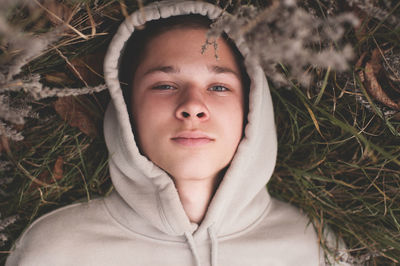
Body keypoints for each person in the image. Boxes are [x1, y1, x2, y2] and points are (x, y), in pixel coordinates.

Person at [6, 1, 344, 265]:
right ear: (127, 107)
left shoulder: (313, 248)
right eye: (165, 85)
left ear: (252, 106)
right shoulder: (57, 251)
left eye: (219, 86)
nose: (193, 106)